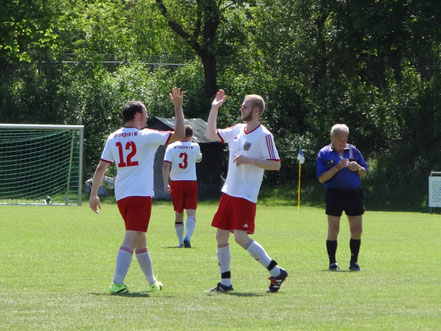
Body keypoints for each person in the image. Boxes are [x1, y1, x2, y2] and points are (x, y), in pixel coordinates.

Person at [89, 87, 185, 294]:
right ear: (138, 115)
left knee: (140, 239)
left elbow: (101, 167)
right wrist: (178, 108)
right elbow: (179, 134)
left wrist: (94, 194)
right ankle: (117, 283)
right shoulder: (145, 135)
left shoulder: (113, 137)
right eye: (146, 114)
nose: (147, 118)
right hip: (140, 196)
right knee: (131, 239)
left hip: (122, 196)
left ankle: (152, 281)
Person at [205, 89, 288, 293]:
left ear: (256, 111)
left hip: (245, 195)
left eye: (246, 105)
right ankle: (225, 284)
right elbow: (210, 134)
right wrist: (214, 108)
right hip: (229, 192)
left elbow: (276, 164)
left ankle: (276, 271)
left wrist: (250, 160)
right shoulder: (238, 129)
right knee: (221, 237)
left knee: (240, 237)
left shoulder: (264, 135)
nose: (241, 107)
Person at [316, 123, 368, 272]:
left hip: (354, 193)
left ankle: (354, 262)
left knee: (356, 229)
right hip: (334, 194)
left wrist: (357, 168)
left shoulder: (353, 151)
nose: (343, 143)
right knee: (334, 228)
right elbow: (321, 178)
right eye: (340, 140)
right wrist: (337, 167)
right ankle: (333, 263)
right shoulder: (324, 153)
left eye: (345, 140)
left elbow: (365, 172)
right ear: (332, 137)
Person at [162, 125, 203, 248]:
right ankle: (187, 237)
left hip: (176, 182)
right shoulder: (195, 146)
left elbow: (165, 165)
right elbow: (199, 159)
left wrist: (166, 184)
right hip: (190, 182)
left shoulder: (171, 146)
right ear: (191, 136)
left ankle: (180, 242)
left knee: (178, 212)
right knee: (191, 213)